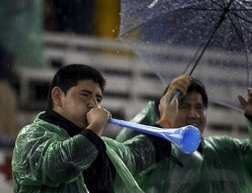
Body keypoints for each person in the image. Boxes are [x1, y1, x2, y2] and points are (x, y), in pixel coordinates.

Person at [12, 64, 184, 193]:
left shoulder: (101, 146)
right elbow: (60, 165)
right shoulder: (31, 136)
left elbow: (136, 155)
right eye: (85, 95)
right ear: (58, 97)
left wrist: (165, 117)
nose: (93, 104)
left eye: (98, 99)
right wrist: (96, 126)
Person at [116, 74, 252, 192]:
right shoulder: (155, 154)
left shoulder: (228, 151)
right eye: (184, 106)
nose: (193, 114)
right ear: (169, 109)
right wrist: (158, 110)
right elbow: (124, 158)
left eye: (199, 107)